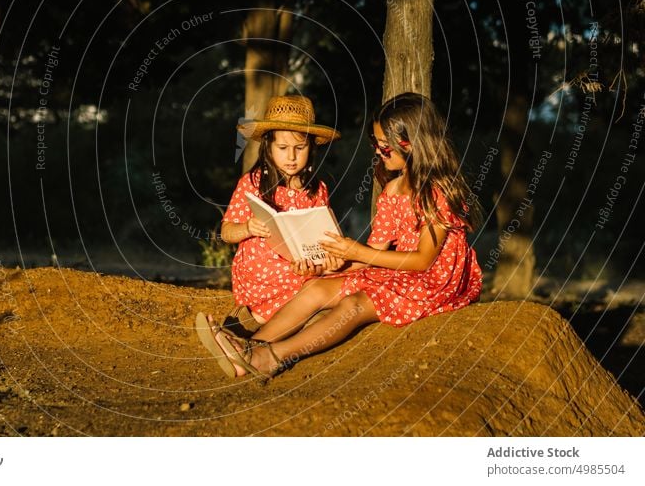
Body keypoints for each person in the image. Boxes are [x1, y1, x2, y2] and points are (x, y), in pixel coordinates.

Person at [196, 92, 483, 379]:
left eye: (385, 148)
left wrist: (355, 253)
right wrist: (339, 262)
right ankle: (249, 348)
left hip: (431, 280)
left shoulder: (436, 193)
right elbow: (374, 250)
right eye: (377, 145)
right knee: (317, 288)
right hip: (394, 270)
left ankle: (270, 357)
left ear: (412, 146)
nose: (378, 153)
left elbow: (422, 261)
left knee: (353, 304)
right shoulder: (391, 191)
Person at [216, 95, 341, 344]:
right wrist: (247, 228)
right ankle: (257, 320)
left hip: (303, 267)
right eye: (282, 148)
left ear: (312, 148)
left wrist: (319, 260)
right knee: (306, 287)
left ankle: (254, 323)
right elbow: (226, 232)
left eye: (300, 148)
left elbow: (325, 236)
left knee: (326, 281)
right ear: (268, 147)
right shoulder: (252, 183)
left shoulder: (318, 189)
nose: (291, 157)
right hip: (261, 271)